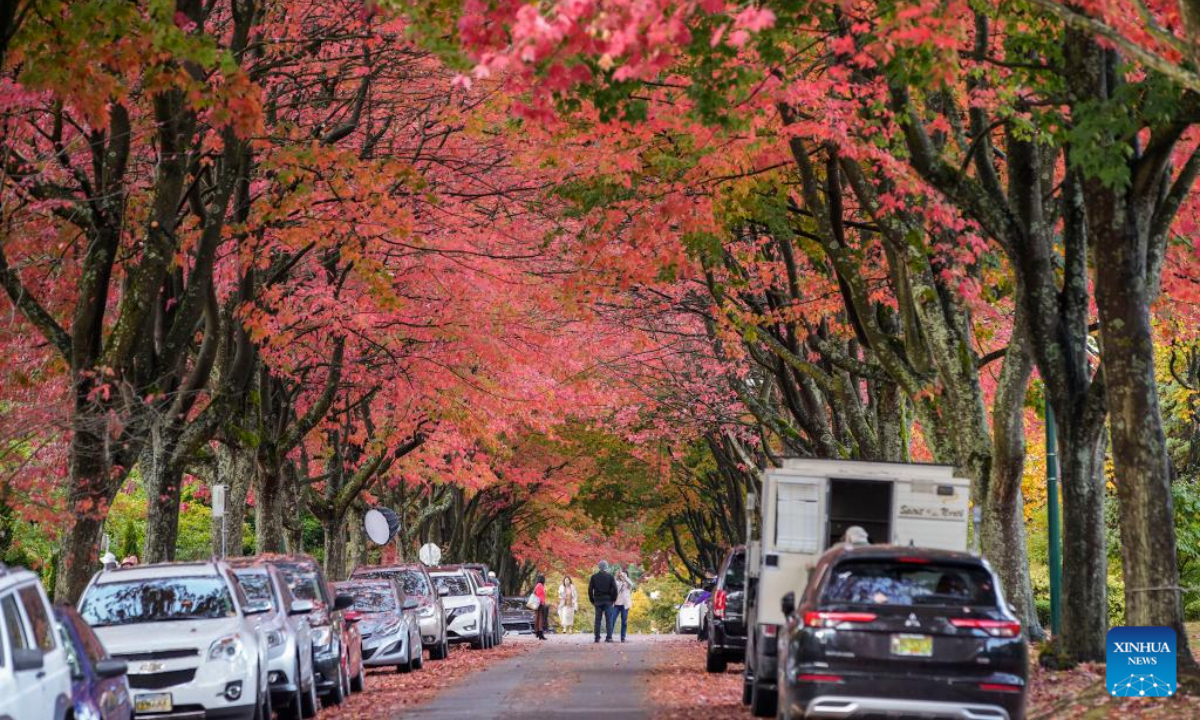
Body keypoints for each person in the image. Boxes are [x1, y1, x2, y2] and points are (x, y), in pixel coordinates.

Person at [587, 560, 618, 643]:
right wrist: (613, 599)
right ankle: (609, 637)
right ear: (606, 567)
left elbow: (590, 590)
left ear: (599, 567)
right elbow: (615, 589)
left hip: (597, 600)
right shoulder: (610, 577)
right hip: (608, 600)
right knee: (609, 620)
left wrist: (592, 600)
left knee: (597, 620)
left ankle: (597, 638)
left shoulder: (594, 577)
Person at [613, 567, 633, 643]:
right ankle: (609, 636)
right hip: (617, 604)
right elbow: (614, 586)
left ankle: (623, 637)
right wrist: (617, 576)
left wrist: (625, 578)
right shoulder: (617, 582)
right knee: (612, 620)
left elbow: (631, 584)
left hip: (625, 605)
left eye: (624, 575)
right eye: (621, 575)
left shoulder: (628, 584)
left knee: (624, 621)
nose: (623, 577)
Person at [532, 575, 549, 640]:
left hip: (538, 604)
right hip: (539, 604)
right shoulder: (540, 586)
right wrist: (542, 602)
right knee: (540, 619)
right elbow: (539, 595)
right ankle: (540, 633)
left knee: (538, 618)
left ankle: (539, 633)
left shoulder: (538, 585)